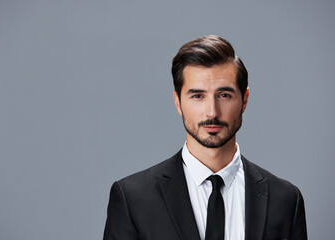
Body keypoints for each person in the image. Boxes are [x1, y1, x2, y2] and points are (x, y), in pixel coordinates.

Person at [103, 35, 307, 240]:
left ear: (244, 100)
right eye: (197, 96)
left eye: (224, 95)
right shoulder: (133, 199)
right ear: (177, 102)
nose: (212, 112)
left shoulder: (286, 200)